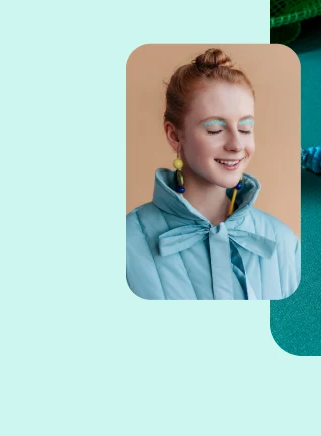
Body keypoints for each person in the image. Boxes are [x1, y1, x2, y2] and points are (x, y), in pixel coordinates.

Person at [127, 49, 300, 300]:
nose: (236, 145)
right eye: (215, 129)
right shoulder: (126, 244)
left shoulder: (284, 242)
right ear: (175, 135)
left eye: (245, 128)